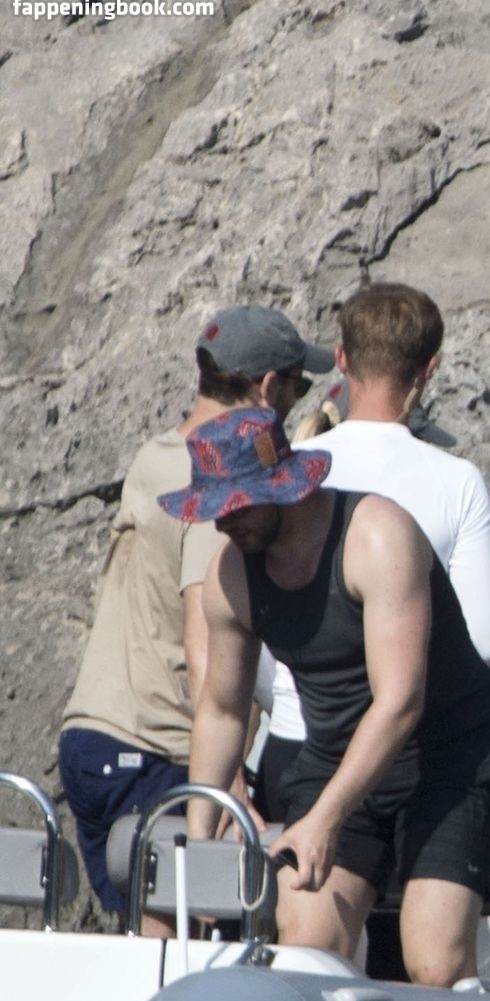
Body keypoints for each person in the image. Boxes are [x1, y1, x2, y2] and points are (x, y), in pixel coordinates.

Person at [169, 408, 490, 987]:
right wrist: (200, 837)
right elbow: (223, 710)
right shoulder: (232, 576)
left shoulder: (376, 535)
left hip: (445, 763)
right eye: (215, 509)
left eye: (238, 506)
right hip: (333, 759)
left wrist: (325, 818)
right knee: (307, 945)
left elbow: (400, 701)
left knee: (434, 963)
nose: (225, 523)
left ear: (281, 488)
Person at [57, 306, 331, 930]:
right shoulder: (221, 492)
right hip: (156, 744)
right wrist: (229, 788)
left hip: (93, 737)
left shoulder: (156, 456)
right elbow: (204, 639)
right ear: (269, 387)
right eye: (298, 386)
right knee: (176, 939)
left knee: (146, 942)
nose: (296, 401)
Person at [253, 283, 490, 825]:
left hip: (296, 742)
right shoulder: (455, 480)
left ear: (341, 359)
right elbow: (485, 643)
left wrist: (291, 696)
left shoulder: (291, 465)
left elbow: (253, 614)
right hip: (407, 754)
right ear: (430, 367)